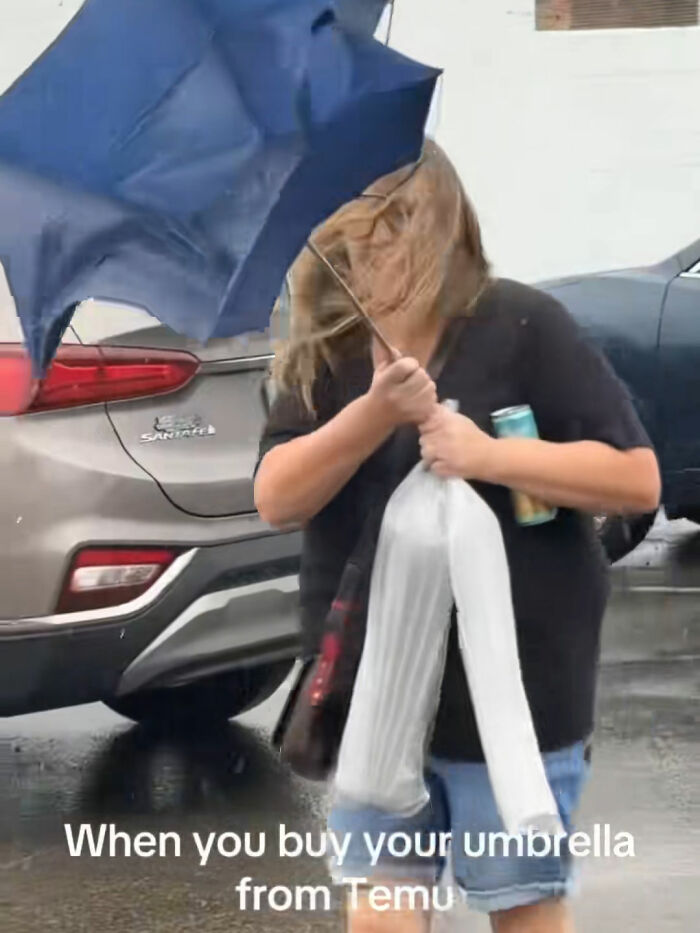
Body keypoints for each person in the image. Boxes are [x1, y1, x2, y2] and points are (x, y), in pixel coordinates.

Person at [253, 140, 660, 933]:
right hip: (374, 689)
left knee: (523, 905)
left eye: (395, 224)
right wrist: (374, 411)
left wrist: (486, 455)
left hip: (515, 688)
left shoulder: (522, 324)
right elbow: (277, 497)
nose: (376, 247)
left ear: (441, 225)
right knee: (381, 916)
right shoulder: (328, 351)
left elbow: (635, 476)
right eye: (359, 229)